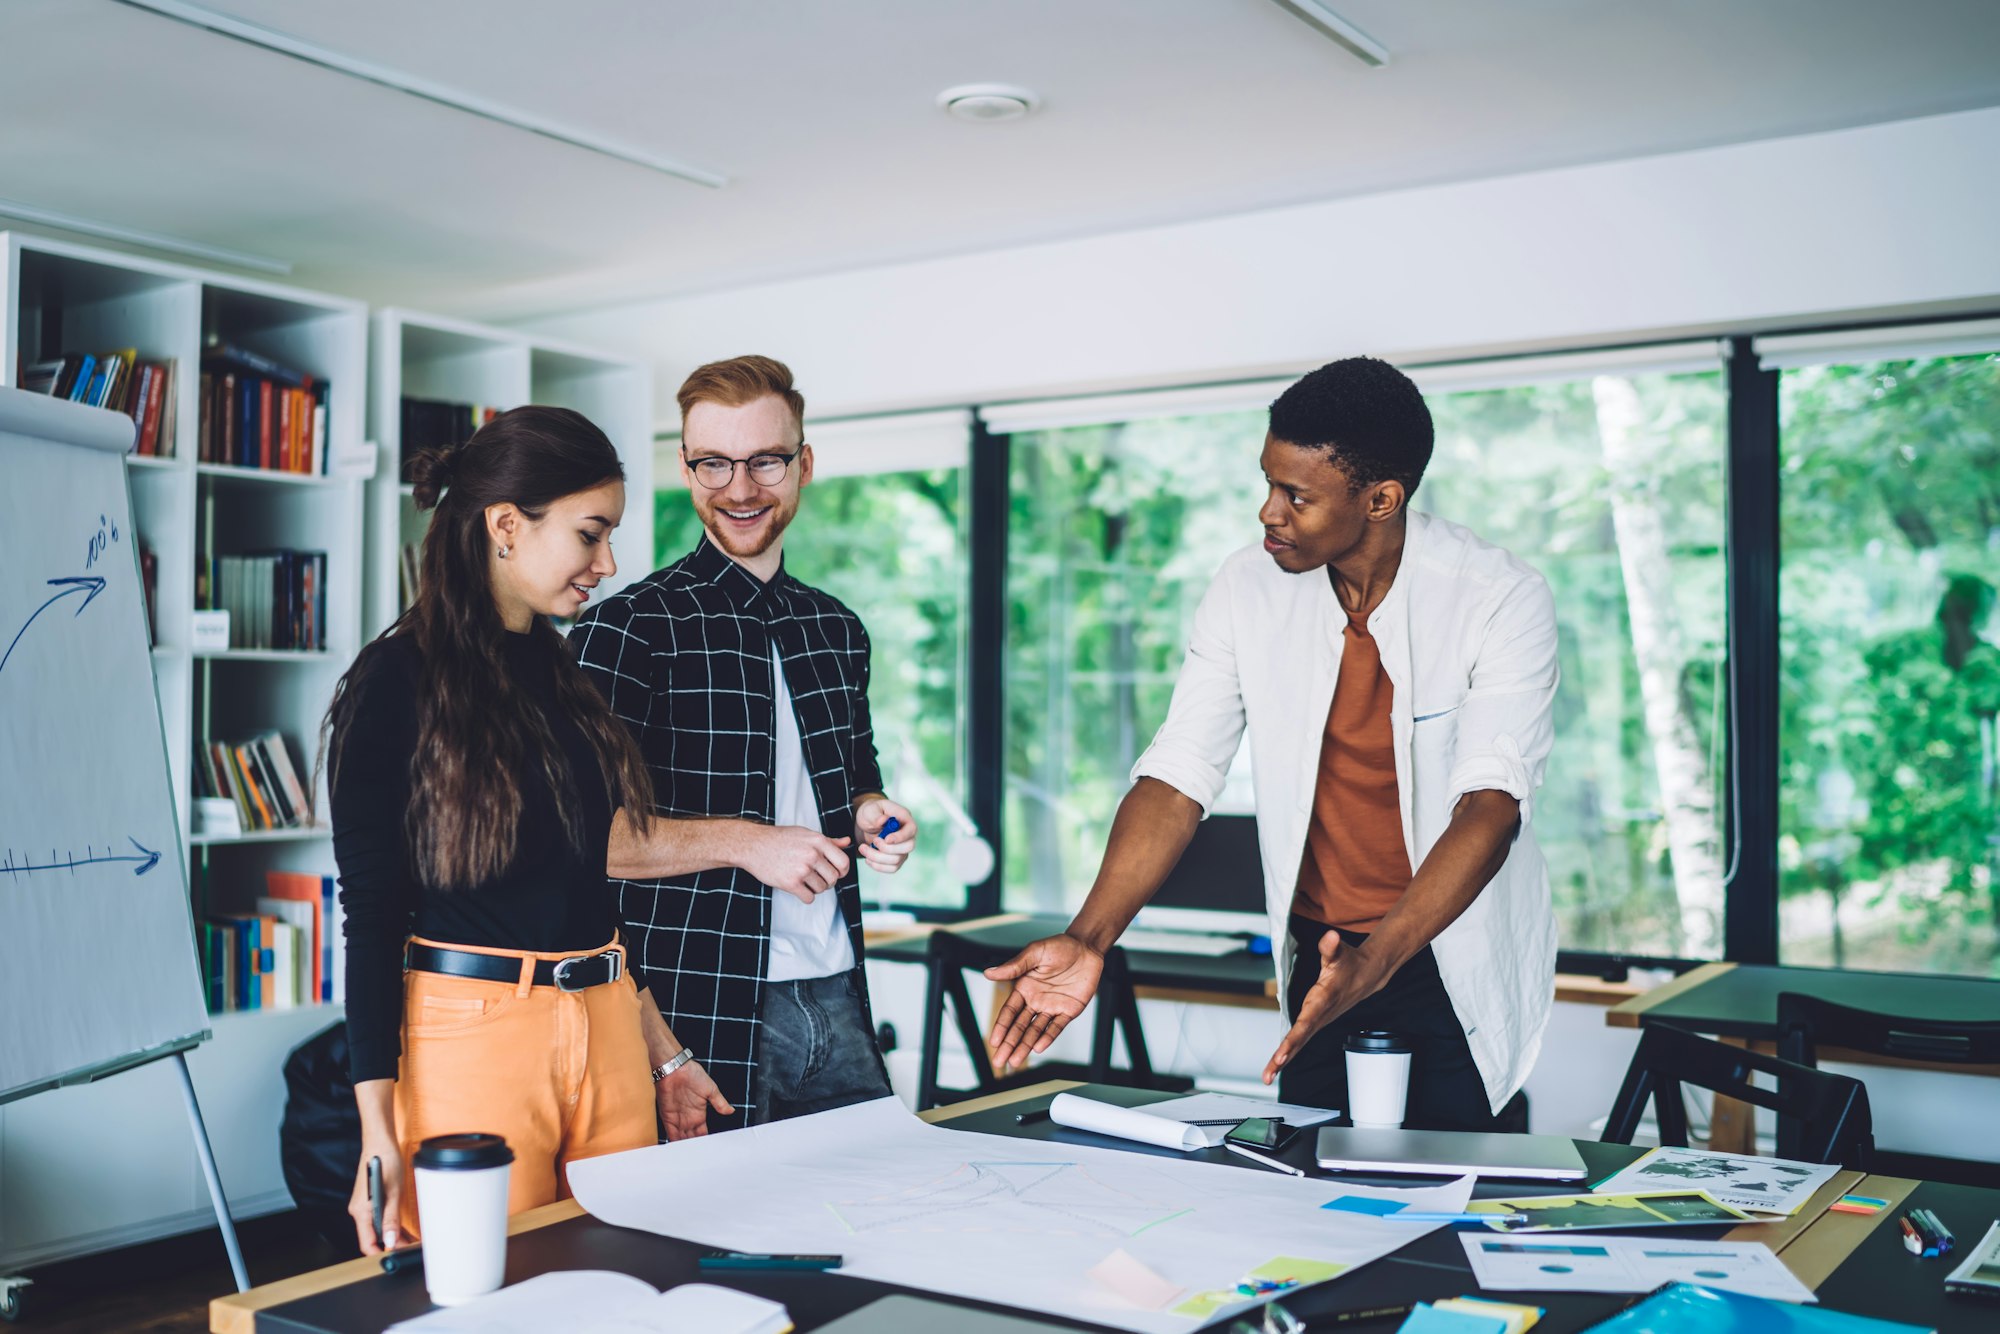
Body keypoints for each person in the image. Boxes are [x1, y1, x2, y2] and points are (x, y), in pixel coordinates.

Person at [985, 356, 1559, 1131]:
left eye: (1297, 495)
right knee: (1307, 1209)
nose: (1269, 513)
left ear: (1381, 499)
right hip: (1320, 959)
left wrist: (1376, 964)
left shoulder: (1498, 597)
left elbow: (1490, 805)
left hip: (1447, 959)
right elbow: (1179, 771)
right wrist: (1091, 936)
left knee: (1451, 1205)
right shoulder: (1244, 587)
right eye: (1268, 483)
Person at [326, 406, 683, 1253]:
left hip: (607, 1025)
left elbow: (585, 890)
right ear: (506, 526)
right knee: (493, 1295)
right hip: (471, 1037)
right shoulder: (394, 680)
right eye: (591, 534)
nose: (608, 564)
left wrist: (663, 1052)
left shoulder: (566, 677)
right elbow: (370, 917)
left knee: (626, 1284)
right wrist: (377, 1129)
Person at [571, 354, 917, 1138]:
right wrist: (749, 845)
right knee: (713, 1248)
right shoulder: (624, 628)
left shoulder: (837, 628)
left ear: (804, 465)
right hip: (695, 1006)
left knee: (873, 1220)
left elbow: (853, 779)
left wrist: (871, 814)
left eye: (765, 460)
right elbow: (588, 841)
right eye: (713, 463)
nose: (739, 488)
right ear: (687, 468)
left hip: (838, 987)